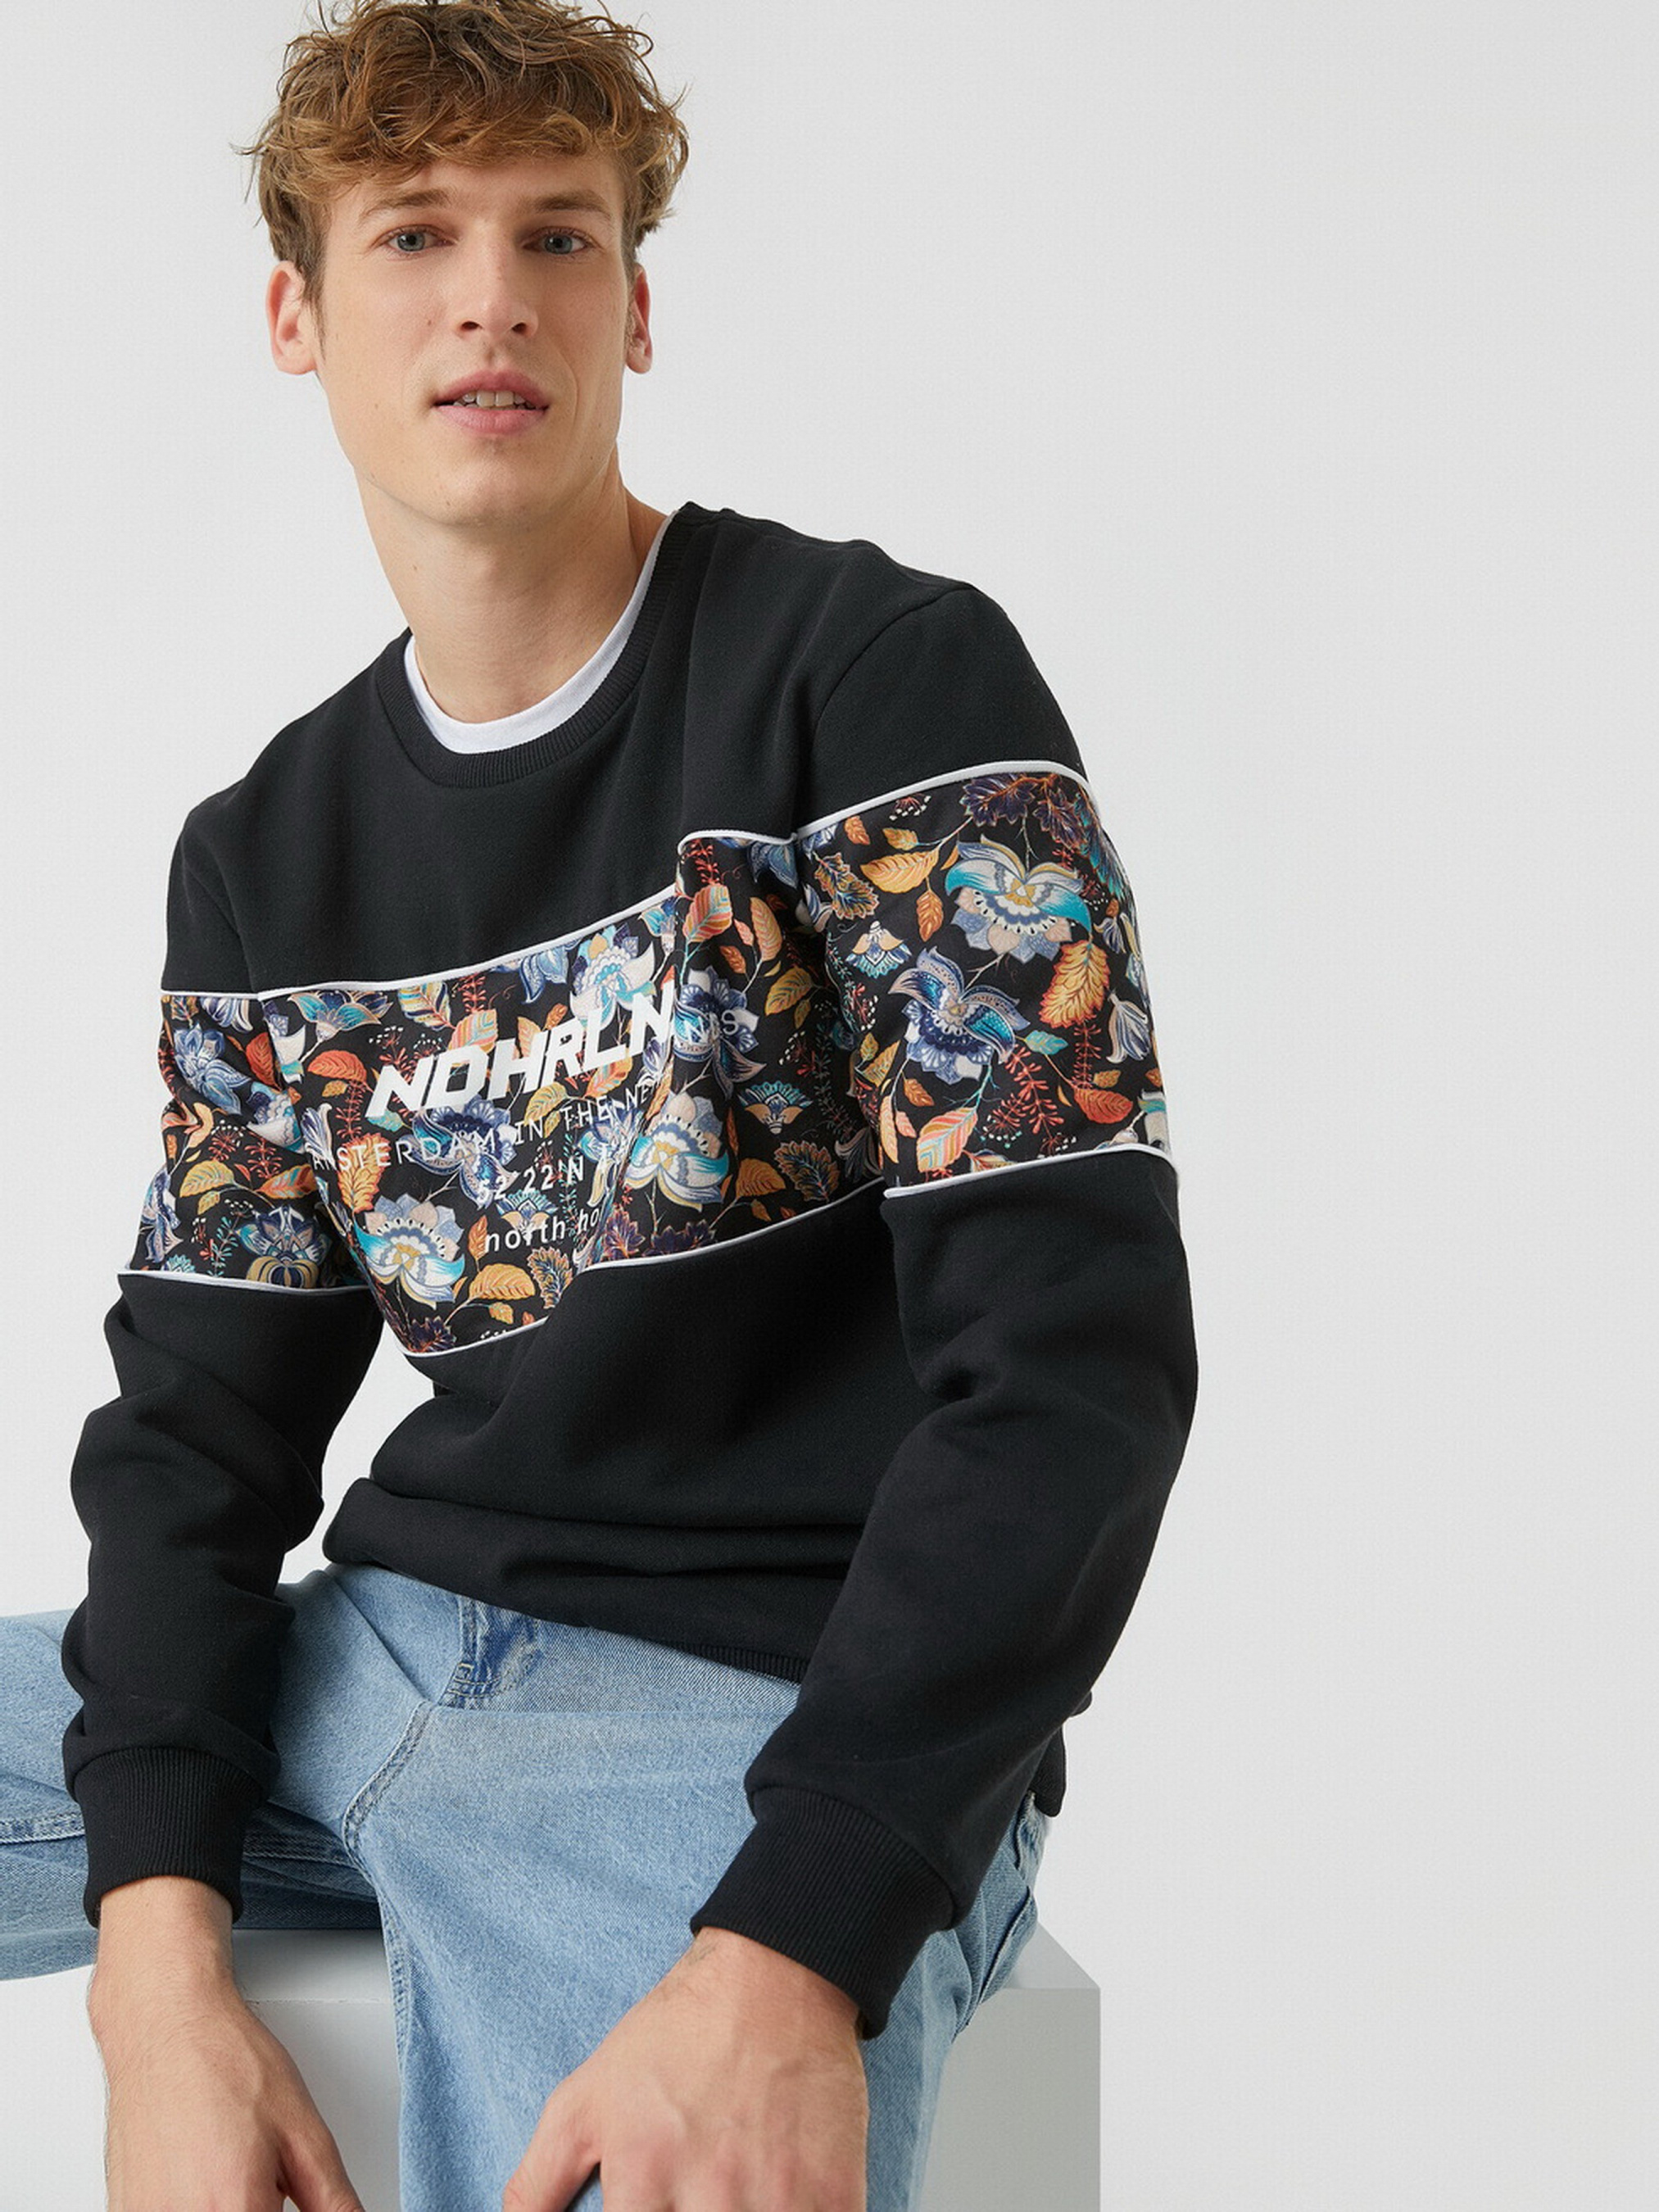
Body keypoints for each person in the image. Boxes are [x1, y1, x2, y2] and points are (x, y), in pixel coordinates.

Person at [0, 1, 1199, 2206]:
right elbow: (194, 1440)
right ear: (296, 316)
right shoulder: (264, 851)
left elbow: (1073, 1374)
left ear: (633, 306)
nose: (492, 296)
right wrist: (153, 1974)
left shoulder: (880, 679)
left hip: (740, 1713)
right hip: (365, 1660)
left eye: (556, 235)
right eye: (414, 235)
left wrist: (790, 1944)